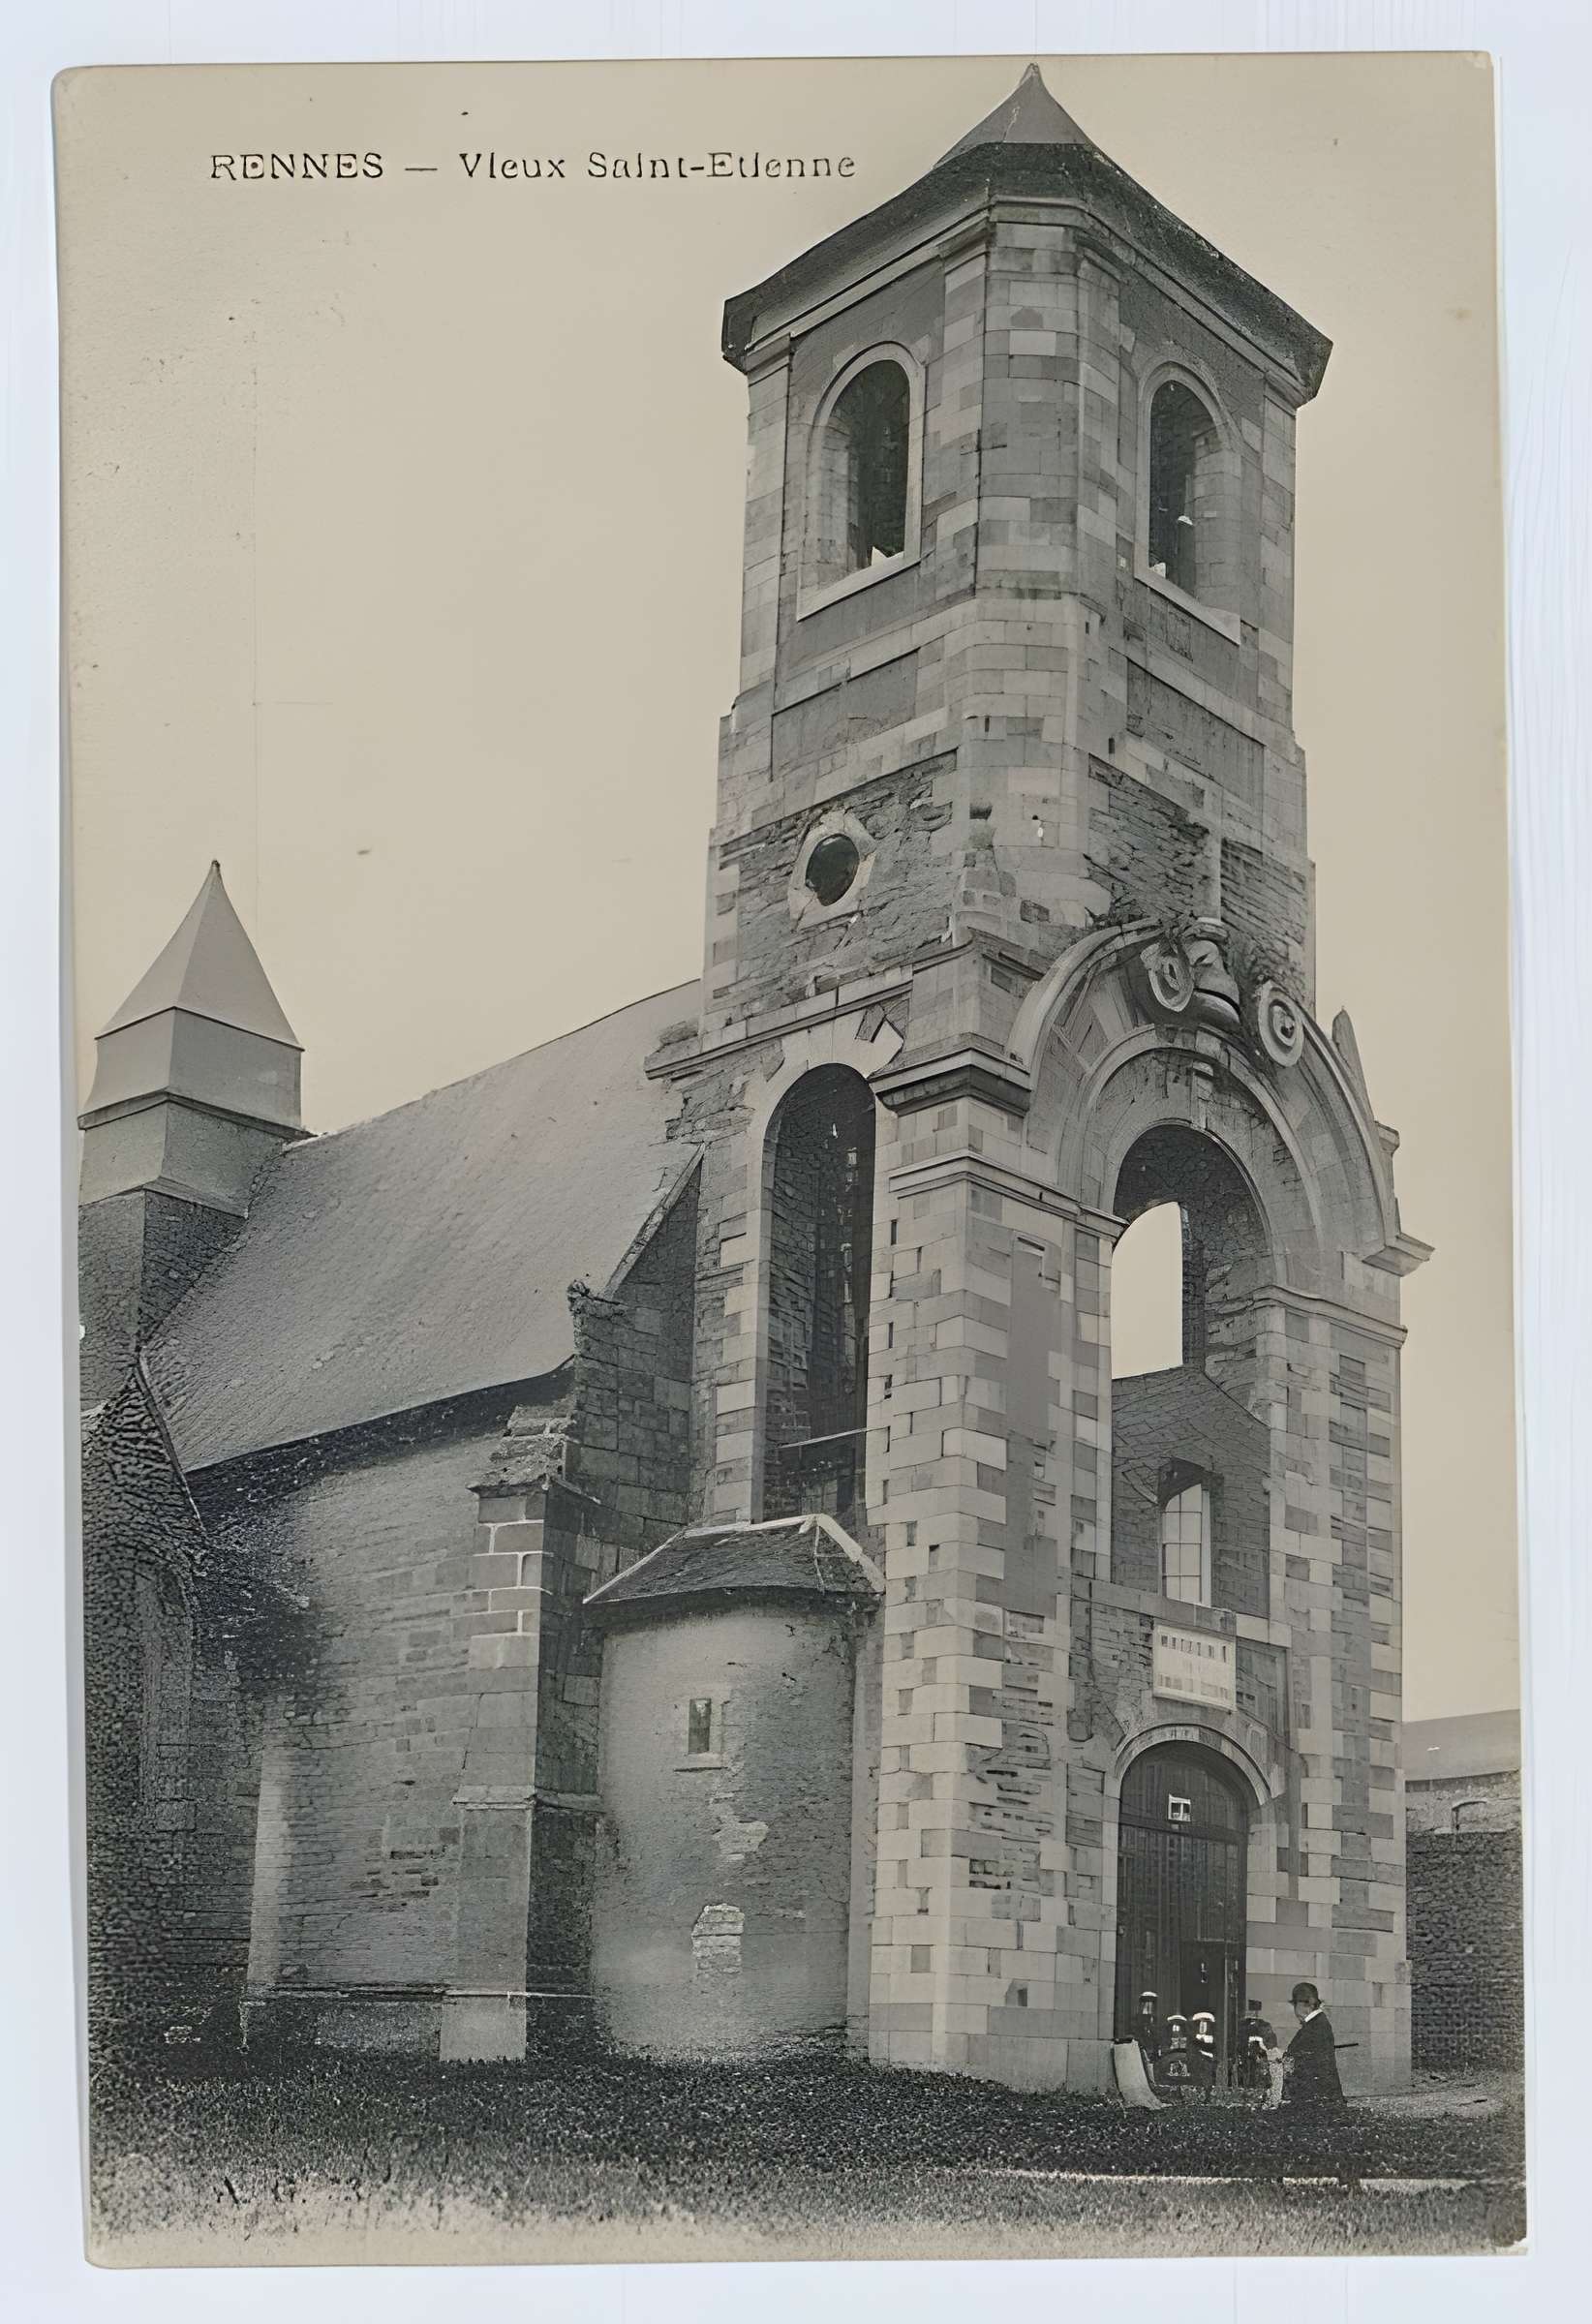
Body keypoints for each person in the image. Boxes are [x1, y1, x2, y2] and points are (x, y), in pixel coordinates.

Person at [1280, 1980, 1345, 2112]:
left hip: (1316, 2100)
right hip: (1318, 2098)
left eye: (1295, 2005)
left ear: (1307, 2004)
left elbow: (1309, 2065)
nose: (1294, 2011)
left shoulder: (1316, 2027)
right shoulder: (1316, 2024)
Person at [1241, 1997, 1284, 2107]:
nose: (1251, 2013)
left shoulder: (1263, 2026)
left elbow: (1271, 2043)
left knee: (1259, 2081)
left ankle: (1260, 2099)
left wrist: (1261, 2045)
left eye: (1253, 2010)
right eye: (1250, 2010)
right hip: (1247, 2059)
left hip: (1259, 2059)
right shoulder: (1243, 2025)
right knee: (1248, 2080)